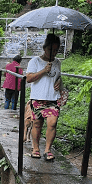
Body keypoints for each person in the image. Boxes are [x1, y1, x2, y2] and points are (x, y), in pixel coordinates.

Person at [24, 33, 63, 161]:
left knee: (53, 123)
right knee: (37, 124)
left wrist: (59, 82)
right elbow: (29, 78)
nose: (53, 53)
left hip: (53, 98)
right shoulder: (35, 61)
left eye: (56, 50)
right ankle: (35, 148)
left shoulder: (57, 62)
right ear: (44, 48)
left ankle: (47, 150)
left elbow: (58, 77)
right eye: (51, 49)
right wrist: (43, 71)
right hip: (38, 97)